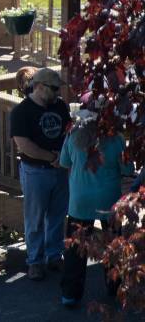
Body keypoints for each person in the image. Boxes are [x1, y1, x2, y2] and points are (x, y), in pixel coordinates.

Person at [59, 110, 132, 307]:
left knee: (75, 249)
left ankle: (70, 294)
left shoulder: (73, 134)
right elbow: (128, 169)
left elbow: (64, 162)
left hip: (79, 200)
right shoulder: (115, 138)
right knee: (113, 244)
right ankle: (115, 287)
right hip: (108, 199)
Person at [10, 67, 71, 281]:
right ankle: (35, 261)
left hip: (60, 170)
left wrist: (63, 158)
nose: (57, 93)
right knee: (35, 218)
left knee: (57, 215)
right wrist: (51, 158)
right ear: (39, 87)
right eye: (53, 89)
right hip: (36, 171)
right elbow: (24, 144)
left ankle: (54, 256)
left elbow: (68, 132)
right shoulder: (22, 111)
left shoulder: (60, 106)